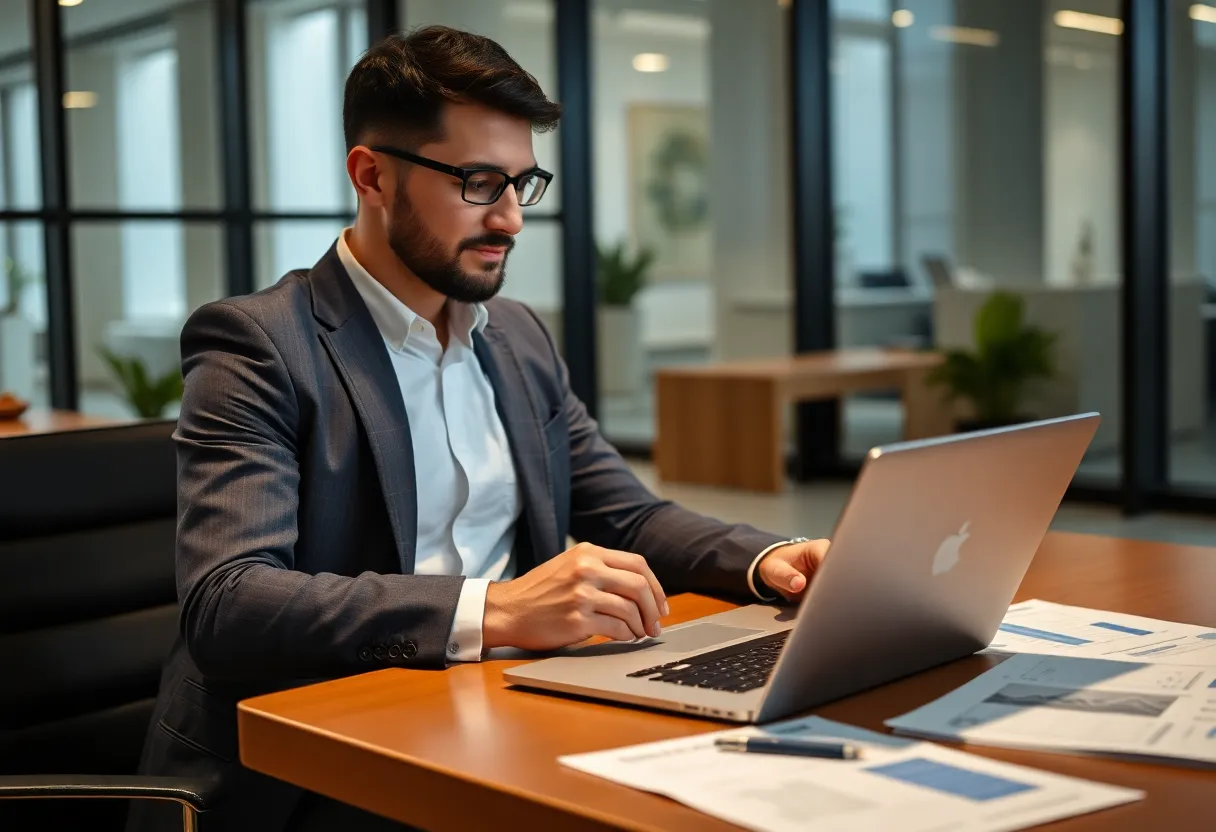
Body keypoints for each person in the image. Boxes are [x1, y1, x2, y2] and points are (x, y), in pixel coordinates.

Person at [128, 25, 829, 832]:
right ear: (372, 175)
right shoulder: (259, 343)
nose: (510, 220)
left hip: (501, 717)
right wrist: (495, 610)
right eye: (478, 181)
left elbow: (628, 515)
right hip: (312, 767)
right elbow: (228, 603)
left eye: (522, 184)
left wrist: (776, 561)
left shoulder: (519, 336)